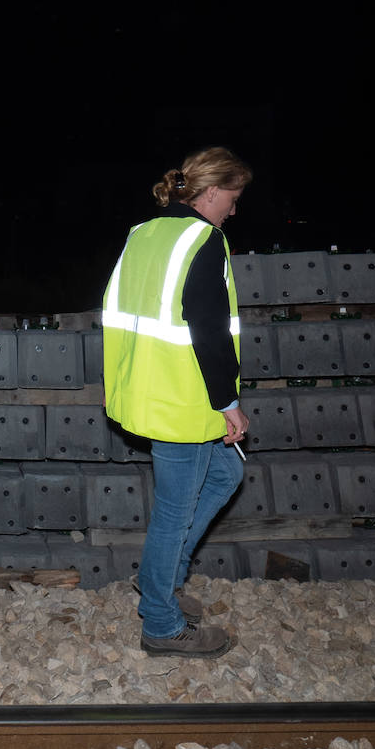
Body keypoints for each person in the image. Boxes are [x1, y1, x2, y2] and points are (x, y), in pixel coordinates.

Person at [102, 147, 252, 657]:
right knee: (173, 512)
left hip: (148, 388)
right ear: (212, 192)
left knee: (226, 476)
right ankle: (162, 624)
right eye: (232, 198)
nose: (234, 209)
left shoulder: (143, 232)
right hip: (185, 398)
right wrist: (228, 402)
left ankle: (156, 580)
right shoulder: (204, 239)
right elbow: (209, 330)